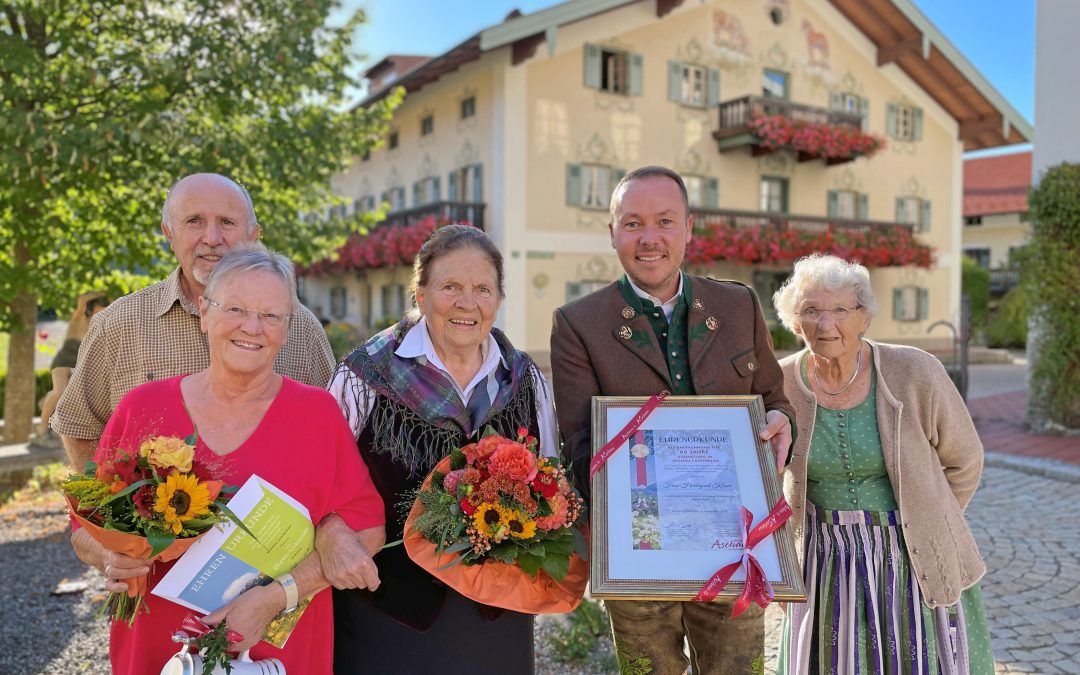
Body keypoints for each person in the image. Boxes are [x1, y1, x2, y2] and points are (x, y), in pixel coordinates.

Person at [69, 246, 385, 674]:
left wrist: (278, 596)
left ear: (288, 329)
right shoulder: (143, 407)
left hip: (276, 650)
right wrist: (110, 556)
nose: (252, 327)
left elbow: (366, 530)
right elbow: (84, 527)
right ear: (203, 311)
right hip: (159, 648)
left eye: (271, 315)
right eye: (235, 308)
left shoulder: (317, 414)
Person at [550, 166, 795, 675]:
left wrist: (779, 419)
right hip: (639, 552)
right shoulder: (578, 323)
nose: (649, 238)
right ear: (613, 233)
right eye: (633, 223)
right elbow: (578, 444)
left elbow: (774, 398)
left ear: (688, 228)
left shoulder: (737, 304)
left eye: (664, 221)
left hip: (732, 542)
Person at [326, 224, 558, 675]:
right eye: (450, 286)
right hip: (387, 612)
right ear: (421, 294)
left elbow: (550, 480)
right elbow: (317, 480)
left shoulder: (524, 378)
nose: (467, 303)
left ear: (498, 299)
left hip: (498, 612)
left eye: (482, 289)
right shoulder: (364, 375)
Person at [771, 254, 992, 674]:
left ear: (864, 317)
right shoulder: (779, 384)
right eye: (810, 310)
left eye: (840, 309)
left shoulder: (915, 371)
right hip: (824, 561)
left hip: (910, 556)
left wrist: (927, 520)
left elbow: (965, 461)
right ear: (794, 322)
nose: (825, 323)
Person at [52, 173, 334, 469]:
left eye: (227, 222)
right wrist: (109, 507)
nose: (212, 239)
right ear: (168, 233)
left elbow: (332, 433)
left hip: (274, 515)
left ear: (253, 235)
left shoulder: (300, 327)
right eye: (194, 221)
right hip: (157, 512)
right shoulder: (120, 324)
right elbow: (79, 427)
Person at [35, 291, 109, 443]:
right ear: (93, 308)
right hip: (65, 358)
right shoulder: (79, 319)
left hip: (78, 362)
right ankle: (41, 428)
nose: (103, 311)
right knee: (60, 391)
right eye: (100, 308)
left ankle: (46, 401)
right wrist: (102, 293)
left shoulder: (97, 325)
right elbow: (82, 301)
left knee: (67, 395)